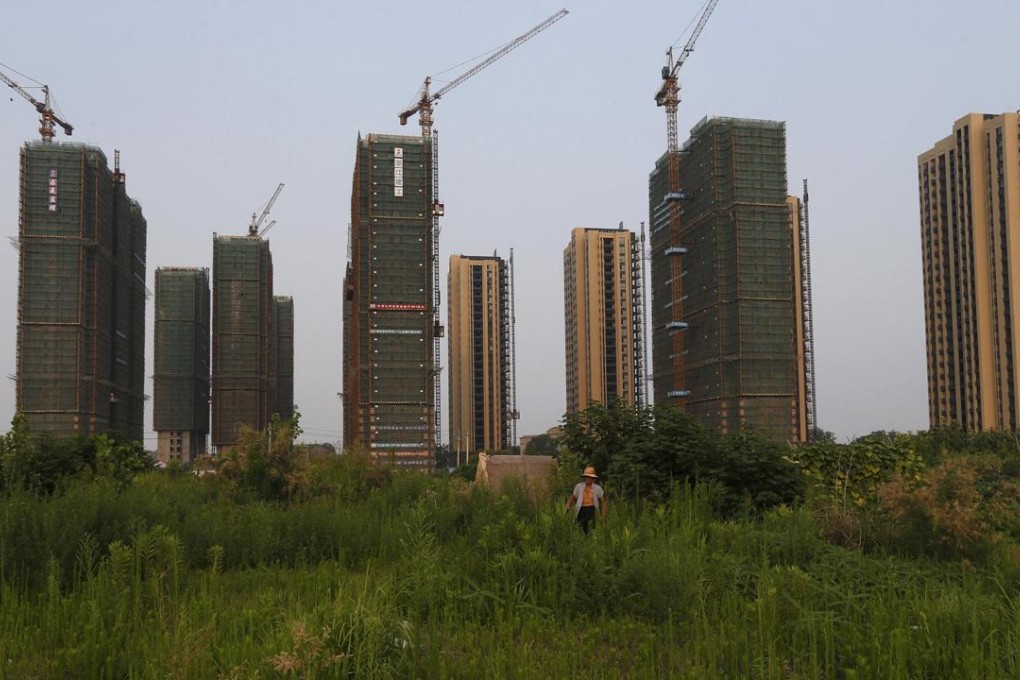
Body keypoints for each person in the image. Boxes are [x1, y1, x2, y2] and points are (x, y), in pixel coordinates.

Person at [566, 466, 606, 533]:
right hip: (581, 510)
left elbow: (604, 502)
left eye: (589, 477)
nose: (587, 478)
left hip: (592, 510)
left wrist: (603, 515)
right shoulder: (579, 486)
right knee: (580, 530)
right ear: (584, 477)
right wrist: (568, 506)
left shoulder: (597, 488)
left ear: (592, 478)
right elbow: (572, 498)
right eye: (586, 476)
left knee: (592, 530)